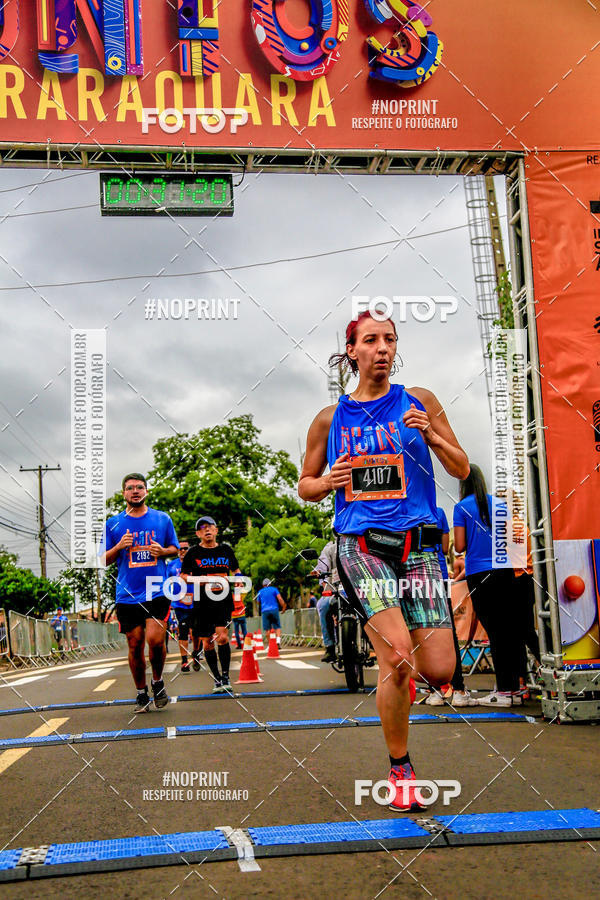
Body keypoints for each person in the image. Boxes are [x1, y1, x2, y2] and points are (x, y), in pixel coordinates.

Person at [298, 310, 469, 812]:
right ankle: (401, 770)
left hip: (418, 547)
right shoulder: (330, 420)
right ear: (352, 351)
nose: (382, 348)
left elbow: (461, 468)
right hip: (363, 546)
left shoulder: (421, 401)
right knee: (398, 658)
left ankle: (397, 674)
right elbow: (305, 484)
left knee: (439, 668)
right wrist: (328, 482)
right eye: (371, 340)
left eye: (390, 339)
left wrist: (432, 435)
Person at [101, 473, 179, 712]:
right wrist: (118, 546)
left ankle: (157, 682)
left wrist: (162, 551)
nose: (135, 491)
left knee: (155, 640)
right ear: (123, 493)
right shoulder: (113, 524)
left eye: (139, 487)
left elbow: (175, 549)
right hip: (127, 594)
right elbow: (103, 560)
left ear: (146, 491)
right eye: (130, 488)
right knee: (134, 644)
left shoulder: (162, 518)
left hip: (156, 588)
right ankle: (141, 693)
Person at [453, 464, 523, 706]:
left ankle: (504, 692)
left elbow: (459, 547)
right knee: (509, 630)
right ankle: (513, 688)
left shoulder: (461, 508)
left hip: (479, 573)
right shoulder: (501, 505)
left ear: (463, 483)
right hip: (505, 572)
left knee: (494, 631)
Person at [181, 515, 241, 693]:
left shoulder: (225, 550)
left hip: (222, 599)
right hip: (202, 601)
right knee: (207, 642)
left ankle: (225, 676)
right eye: (203, 528)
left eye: (210, 526)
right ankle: (216, 679)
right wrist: (200, 579)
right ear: (198, 533)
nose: (207, 530)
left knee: (222, 637)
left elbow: (236, 570)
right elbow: (183, 576)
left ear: (216, 530)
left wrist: (238, 579)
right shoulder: (193, 553)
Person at [425, 507, 476, 707]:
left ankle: (436, 689)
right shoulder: (438, 512)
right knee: (448, 631)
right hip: (438, 574)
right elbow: (445, 548)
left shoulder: (403, 510)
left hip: (413, 577)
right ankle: (459, 689)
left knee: (422, 633)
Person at [166, 540, 197, 672]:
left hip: (196, 602)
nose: (183, 551)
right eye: (180, 549)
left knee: (196, 631)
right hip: (179, 603)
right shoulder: (172, 565)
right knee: (183, 631)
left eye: (185, 548)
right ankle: (184, 661)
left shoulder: (196, 563)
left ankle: (196, 654)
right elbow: (165, 582)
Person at [311, 539, 339, 663]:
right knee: (322, 604)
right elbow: (322, 566)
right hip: (335, 590)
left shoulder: (361, 542)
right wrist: (318, 571)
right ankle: (330, 647)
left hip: (357, 589)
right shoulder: (329, 548)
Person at [256, 578, 285, 643]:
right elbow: (280, 599)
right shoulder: (274, 589)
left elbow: (258, 602)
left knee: (267, 629)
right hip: (274, 610)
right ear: (270, 584)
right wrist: (283, 607)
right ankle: (278, 641)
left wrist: (263, 604)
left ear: (263, 585)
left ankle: (271, 645)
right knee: (277, 626)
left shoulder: (260, 592)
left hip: (265, 611)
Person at [231, 575, 248, 648]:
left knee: (236, 631)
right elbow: (245, 589)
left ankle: (239, 645)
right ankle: (247, 643)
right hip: (242, 615)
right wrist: (240, 583)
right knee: (244, 630)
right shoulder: (241, 596)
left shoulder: (232, 597)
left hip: (234, 616)